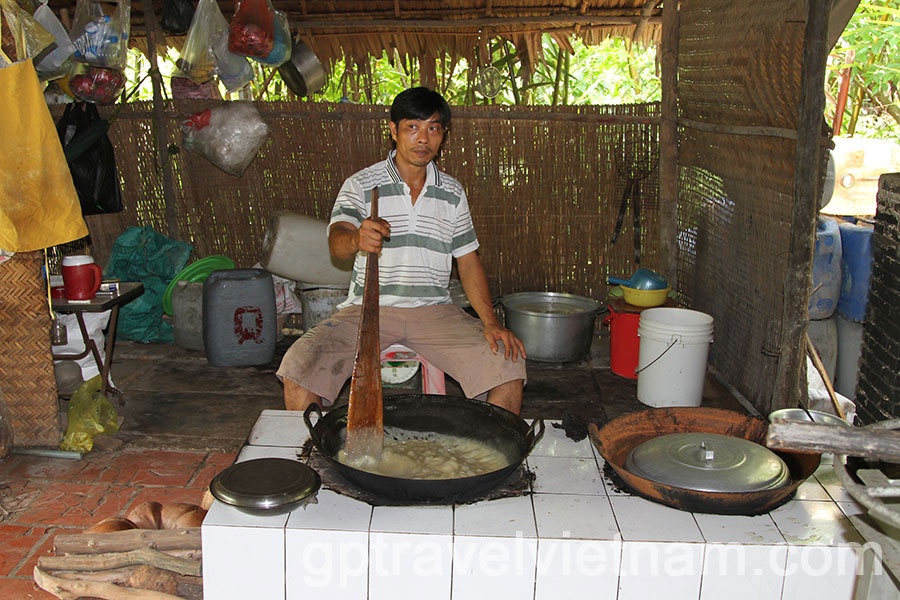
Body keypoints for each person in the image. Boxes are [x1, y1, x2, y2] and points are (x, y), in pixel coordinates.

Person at [277, 87, 526, 414]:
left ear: (443, 135)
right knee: (299, 365)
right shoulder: (362, 184)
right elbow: (337, 242)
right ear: (393, 130)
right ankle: (311, 445)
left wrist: (491, 323)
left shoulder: (452, 192)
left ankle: (492, 443)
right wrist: (356, 239)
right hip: (367, 311)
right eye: (412, 127)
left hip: (435, 312)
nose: (423, 138)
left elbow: (467, 261)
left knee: (508, 363)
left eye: (433, 128)